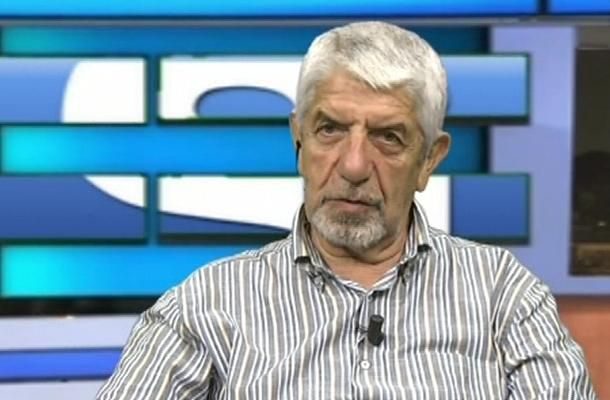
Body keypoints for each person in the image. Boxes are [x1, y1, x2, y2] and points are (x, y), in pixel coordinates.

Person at [97, 21, 596, 399]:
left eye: (388, 137)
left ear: (429, 159)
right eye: (330, 129)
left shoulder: (503, 296)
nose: (354, 165)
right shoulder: (205, 306)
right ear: (299, 140)